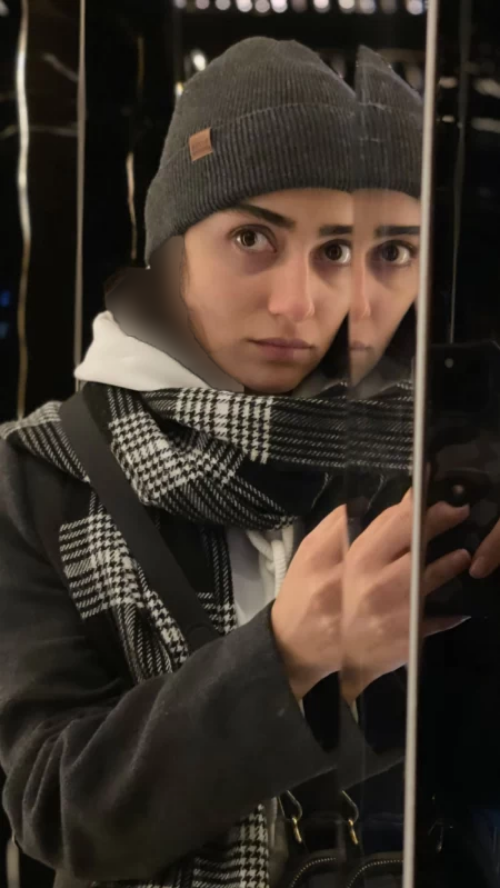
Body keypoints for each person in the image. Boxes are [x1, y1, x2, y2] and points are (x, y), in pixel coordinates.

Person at [0, 38, 470, 888]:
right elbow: (60, 810)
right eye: (253, 236)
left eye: (338, 250)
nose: (299, 304)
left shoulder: (405, 451)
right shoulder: (42, 474)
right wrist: (288, 653)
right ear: (174, 247)